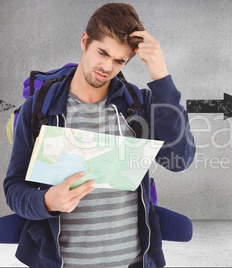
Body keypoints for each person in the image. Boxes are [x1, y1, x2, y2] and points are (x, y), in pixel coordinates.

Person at [3, 3, 195, 268]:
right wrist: (46, 201)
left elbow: (180, 159)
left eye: (119, 61)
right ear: (85, 41)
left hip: (134, 262)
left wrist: (161, 77)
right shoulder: (39, 108)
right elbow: (14, 189)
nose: (107, 66)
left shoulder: (139, 104)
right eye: (102, 52)